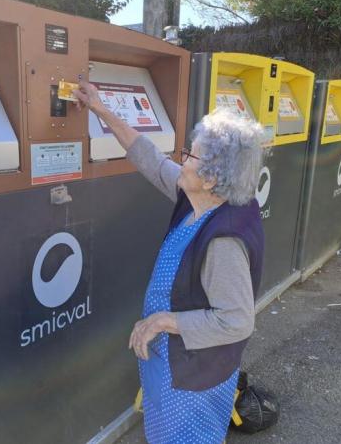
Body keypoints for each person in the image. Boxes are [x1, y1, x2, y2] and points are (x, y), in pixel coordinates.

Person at [74, 82, 265, 443]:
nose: (181, 161)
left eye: (189, 156)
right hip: (175, 363)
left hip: (193, 376)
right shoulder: (205, 199)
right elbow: (150, 159)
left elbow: (237, 320)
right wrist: (101, 110)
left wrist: (163, 320)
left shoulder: (223, 238)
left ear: (210, 178)